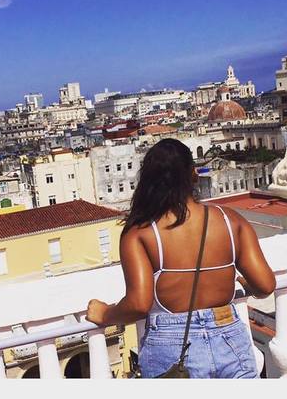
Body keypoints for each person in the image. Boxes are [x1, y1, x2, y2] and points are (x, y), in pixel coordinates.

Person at [86, 138, 276, 378]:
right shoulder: (230, 220)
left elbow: (139, 304)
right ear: (193, 175)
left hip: (172, 344)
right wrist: (248, 284)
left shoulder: (140, 232)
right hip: (229, 335)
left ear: (148, 180)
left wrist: (105, 314)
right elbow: (265, 285)